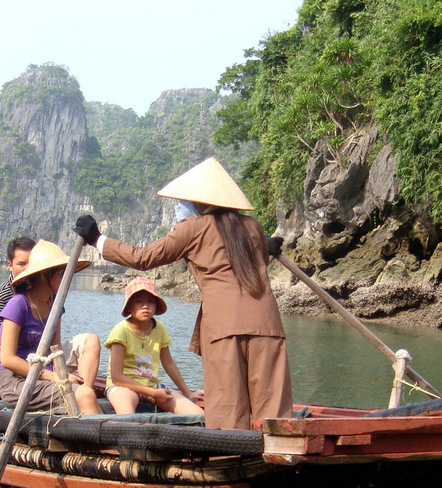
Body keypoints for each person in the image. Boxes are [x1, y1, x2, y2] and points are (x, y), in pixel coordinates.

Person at [74, 156, 293, 430]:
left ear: (197, 200)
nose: (181, 206)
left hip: (225, 326)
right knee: (273, 407)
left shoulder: (193, 228)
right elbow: (245, 255)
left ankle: (231, 451)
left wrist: (97, 239)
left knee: (228, 407)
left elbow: (143, 257)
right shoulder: (252, 227)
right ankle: (280, 450)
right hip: (267, 323)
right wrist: (265, 245)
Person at [0, 236, 100, 388]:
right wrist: (27, 336)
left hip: (46, 355)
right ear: (10, 265)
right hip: (21, 358)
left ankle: (85, 390)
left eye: (31, 262)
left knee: (90, 341)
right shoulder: (5, 298)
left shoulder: (52, 296)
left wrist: (56, 367)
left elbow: (55, 344)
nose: (27, 268)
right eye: (21, 263)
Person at [104, 276, 204, 415]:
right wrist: (152, 393)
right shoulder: (120, 331)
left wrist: (188, 392)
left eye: (150, 301)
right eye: (139, 301)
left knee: (197, 414)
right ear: (129, 306)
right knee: (126, 414)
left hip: (151, 384)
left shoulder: (160, 328)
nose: (145, 306)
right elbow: (117, 377)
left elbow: (169, 363)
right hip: (123, 386)